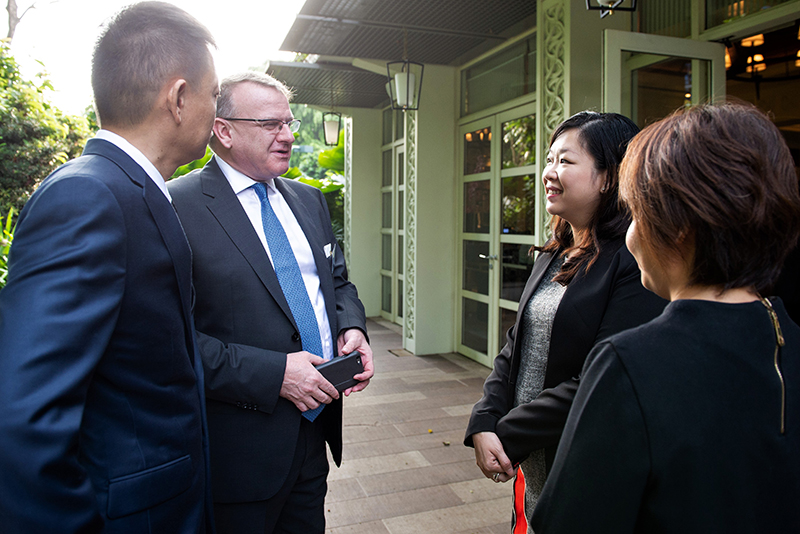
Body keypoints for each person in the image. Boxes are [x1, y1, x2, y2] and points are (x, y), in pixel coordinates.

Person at [0, 3, 219, 533]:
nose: (218, 110)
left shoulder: (136, 188)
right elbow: (22, 423)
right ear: (180, 97)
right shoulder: (87, 195)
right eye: (215, 95)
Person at [532, 102, 800, 533]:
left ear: (678, 228)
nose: (631, 235)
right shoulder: (786, 337)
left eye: (636, 213)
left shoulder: (629, 365)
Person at [168, 71, 372, 534]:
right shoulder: (177, 206)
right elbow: (170, 339)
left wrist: (352, 327)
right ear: (224, 130)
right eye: (270, 125)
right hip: (239, 451)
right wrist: (275, 375)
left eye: (289, 123)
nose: (287, 136)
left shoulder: (310, 200)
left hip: (315, 431)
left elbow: (337, 284)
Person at [464, 111, 666, 531]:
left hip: (583, 462)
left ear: (609, 176)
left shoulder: (633, 263)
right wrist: (483, 420)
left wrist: (506, 433)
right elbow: (515, 344)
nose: (549, 173)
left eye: (566, 162)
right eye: (549, 159)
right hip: (533, 463)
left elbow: (601, 378)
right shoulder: (557, 251)